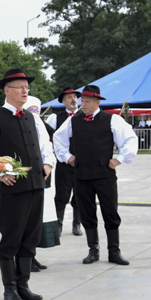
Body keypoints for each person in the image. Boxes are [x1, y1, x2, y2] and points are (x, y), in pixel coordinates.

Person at [0, 69, 55, 300]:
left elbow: (45, 145)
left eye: (26, 87)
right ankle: (9, 288)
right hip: (13, 190)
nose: (25, 91)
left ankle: (24, 285)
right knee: (10, 239)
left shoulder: (32, 117)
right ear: (7, 90)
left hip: (36, 187)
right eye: (20, 87)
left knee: (30, 238)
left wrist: (48, 163)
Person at [52, 85, 138, 266]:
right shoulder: (73, 121)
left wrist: (119, 159)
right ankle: (93, 250)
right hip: (81, 175)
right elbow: (58, 139)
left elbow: (130, 139)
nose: (83, 104)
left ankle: (114, 251)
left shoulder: (112, 119)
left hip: (105, 174)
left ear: (97, 102)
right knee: (87, 213)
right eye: (82, 101)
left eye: (87, 101)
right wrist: (67, 157)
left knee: (110, 212)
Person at [25, 97, 60, 272]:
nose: (34, 114)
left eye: (36, 110)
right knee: (27, 219)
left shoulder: (41, 126)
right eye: (30, 110)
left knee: (39, 218)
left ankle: (32, 256)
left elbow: (48, 146)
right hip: (26, 178)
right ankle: (26, 258)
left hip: (42, 176)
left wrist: (48, 164)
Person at [45, 87, 83, 237]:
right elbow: (49, 139)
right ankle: (58, 224)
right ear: (63, 101)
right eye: (69, 97)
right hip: (64, 164)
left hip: (82, 163)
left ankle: (77, 223)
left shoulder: (83, 116)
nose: (73, 99)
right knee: (61, 195)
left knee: (80, 195)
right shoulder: (56, 118)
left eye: (75, 97)